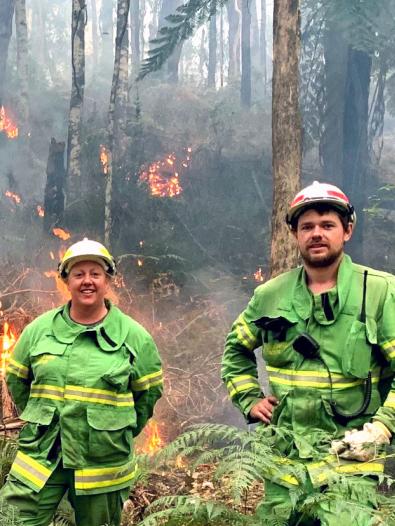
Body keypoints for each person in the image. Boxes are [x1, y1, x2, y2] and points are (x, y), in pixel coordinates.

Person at [221, 181, 395, 525]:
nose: (317, 233)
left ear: (347, 231)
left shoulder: (379, 291)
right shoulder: (270, 295)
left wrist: (382, 428)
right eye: (307, 227)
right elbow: (235, 350)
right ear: (294, 234)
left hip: (351, 461)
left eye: (327, 225)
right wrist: (249, 398)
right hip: (284, 465)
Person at [0, 238, 163, 526]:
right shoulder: (38, 331)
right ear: (66, 280)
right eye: (78, 274)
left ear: (107, 279)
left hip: (101, 465)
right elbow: (17, 381)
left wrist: (110, 430)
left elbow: (146, 397)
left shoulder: (135, 338)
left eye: (95, 273)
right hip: (41, 458)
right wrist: (43, 416)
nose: (87, 281)